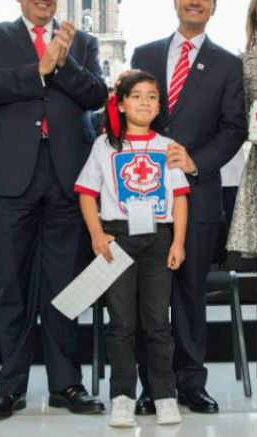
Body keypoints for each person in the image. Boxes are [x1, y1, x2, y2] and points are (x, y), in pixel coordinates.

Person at [0, 0, 107, 421]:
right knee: (15, 288)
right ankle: (10, 388)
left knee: (65, 289)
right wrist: (37, 69)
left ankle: (67, 384)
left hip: (67, 178)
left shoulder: (80, 42)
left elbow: (96, 97)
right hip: (7, 180)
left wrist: (62, 63)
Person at [130, 0, 248, 415]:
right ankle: (152, 386)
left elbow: (234, 127)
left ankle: (190, 383)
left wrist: (194, 161)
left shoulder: (227, 64)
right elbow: (125, 117)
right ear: (175, 0)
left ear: (214, 5)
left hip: (198, 197)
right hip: (143, 198)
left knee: (190, 294)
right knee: (148, 297)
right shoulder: (145, 53)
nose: (195, 1)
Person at [76, 71, 190, 428]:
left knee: (158, 323)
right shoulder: (105, 146)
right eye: (136, 96)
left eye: (152, 96)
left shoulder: (167, 146)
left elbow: (180, 198)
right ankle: (122, 397)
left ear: (160, 105)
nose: (144, 102)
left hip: (158, 239)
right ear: (121, 104)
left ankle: (164, 395)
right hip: (117, 239)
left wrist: (179, 241)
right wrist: (96, 234)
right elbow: (86, 193)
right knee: (122, 324)